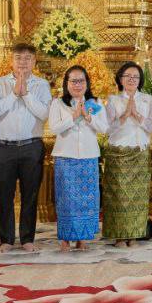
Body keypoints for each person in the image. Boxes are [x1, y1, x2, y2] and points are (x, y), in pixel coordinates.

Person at [0, 43, 52, 252]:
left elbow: (45, 114)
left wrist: (26, 95)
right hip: (4, 147)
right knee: (4, 195)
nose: (22, 62)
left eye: (27, 58)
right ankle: (6, 240)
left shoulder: (41, 85)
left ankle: (27, 239)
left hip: (31, 146)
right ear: (11, 61)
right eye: (18, 58)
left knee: (30, 195)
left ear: (34, 61)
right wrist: (14, 94)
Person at [49, 65, 108, 250]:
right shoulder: (59, 103)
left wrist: (88, 117)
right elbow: (54, 128)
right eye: (73, 81)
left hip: (88, 157)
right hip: (65, 158)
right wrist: (73, 117)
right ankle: (65, 239)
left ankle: (82, 238)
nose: (77, 84)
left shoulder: (94, 103)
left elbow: (104, 128)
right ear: (66, 84)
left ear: (87, 83)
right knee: (66, 200)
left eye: (81, 81)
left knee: (86, 200)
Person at [104, 61, 152, 246]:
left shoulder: (148, 99)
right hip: (118, 153)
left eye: (136, 77)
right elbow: (107, 129)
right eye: (128, 76)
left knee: (137, 198)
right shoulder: (113, 100)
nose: (132, 79)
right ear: (120, 79)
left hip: (140, 152)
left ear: (140, 80)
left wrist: (137, 116)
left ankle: (134, 235)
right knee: (118, 197)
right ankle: (120, 236)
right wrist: (125, 115)